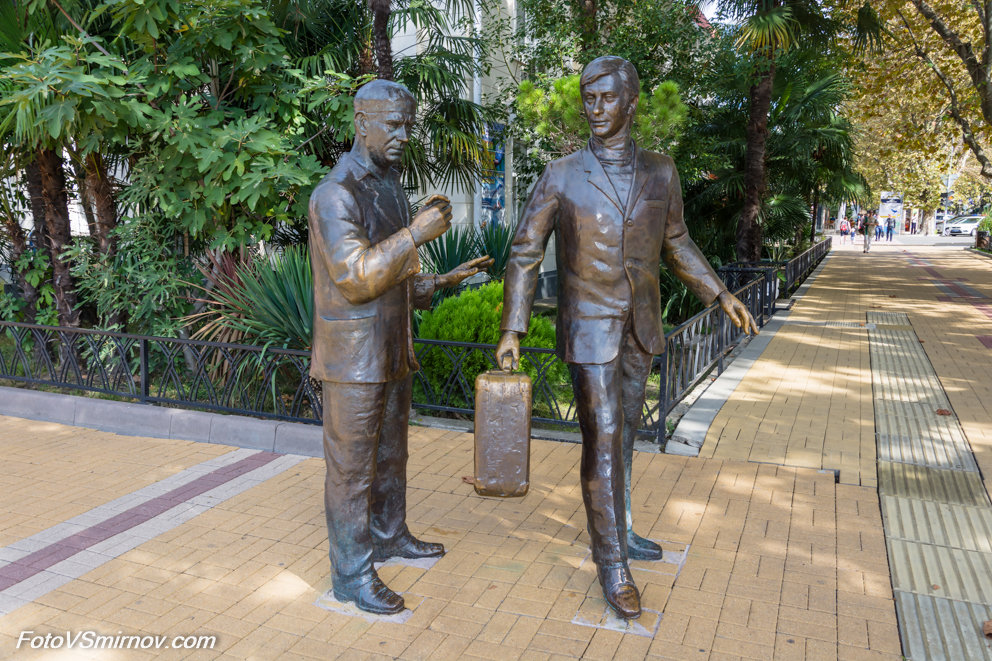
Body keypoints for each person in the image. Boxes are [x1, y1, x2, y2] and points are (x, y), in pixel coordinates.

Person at [495, 56, 758, 619]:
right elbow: (523, 252)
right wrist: (513, 326)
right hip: (588, 328)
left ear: (631, 103)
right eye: (588, 99)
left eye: (607, 98)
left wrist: (721, 294)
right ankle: (612, 565)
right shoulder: (562, 173)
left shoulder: (661, 171)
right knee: (604, 435)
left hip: (639, 325)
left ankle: (624, 528)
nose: (594, 109)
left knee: (627, 434)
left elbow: (678, 243)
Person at [309, 80, 491, 614]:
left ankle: (390, 535)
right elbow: (357, 276)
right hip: (351, 359)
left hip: (390, 348)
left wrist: (442, 280)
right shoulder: (333, 193)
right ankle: (352, 574)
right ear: (361, 120)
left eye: (409, 124)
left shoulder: (388, 186)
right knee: (352, 469)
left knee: (391, 456)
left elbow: (394, 277)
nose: (403, 134)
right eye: (393, 123)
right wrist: (415, 233)